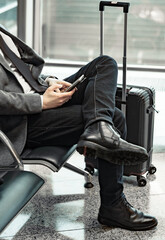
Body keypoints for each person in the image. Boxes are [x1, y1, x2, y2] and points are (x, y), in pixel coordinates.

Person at [0, 25, 158, 231]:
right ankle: (113, 206)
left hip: (40, 94)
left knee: (103, 64)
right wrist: (41, 102)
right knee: (115, 118)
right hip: (23, 121)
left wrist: (46, 82)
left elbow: (18, 74)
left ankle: (99, 128)